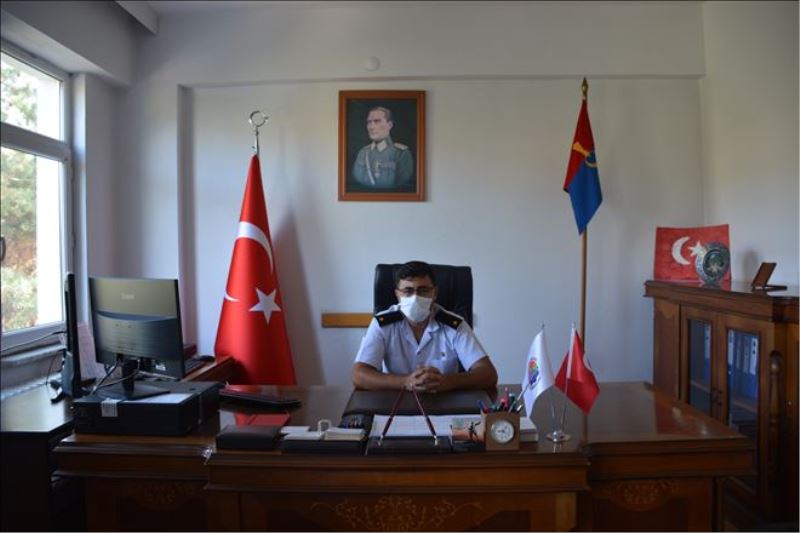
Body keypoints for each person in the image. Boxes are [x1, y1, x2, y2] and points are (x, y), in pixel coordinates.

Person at [352, 261, 498, 392]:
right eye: (408, 291)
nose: (415, 297)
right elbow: (359, 375)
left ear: (435, 293)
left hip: (444, 402)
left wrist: (447, 381)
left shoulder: (454, 325)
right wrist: (405, 382)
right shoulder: (383, 324)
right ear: (397, 295)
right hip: (395, 402)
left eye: (423, 291)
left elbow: (488, 374)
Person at [352, 106, 414, 188]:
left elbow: (402, 184)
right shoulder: (362, 153)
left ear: (389, 125)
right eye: (369, 122)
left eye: (377, 121)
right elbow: (358, 180)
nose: (371, 127)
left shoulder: (401, 153)